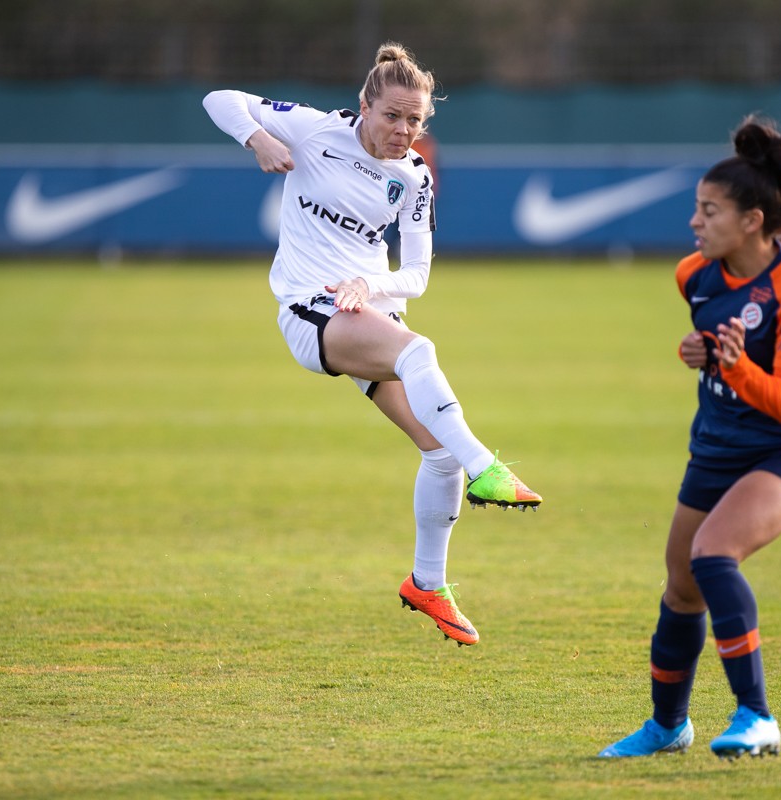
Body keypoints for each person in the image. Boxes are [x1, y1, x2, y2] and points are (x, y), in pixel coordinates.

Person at [201, 42, 542, 648]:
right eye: (392, 116)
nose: (403, 131)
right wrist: (258, 139)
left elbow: (417, 275)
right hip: (310, 308)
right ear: (365, 106)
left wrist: (369, 284)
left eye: (415, 120)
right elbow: (218, 98)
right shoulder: (315, 129)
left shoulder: (414, 177)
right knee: (419, 353)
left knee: (437, 452)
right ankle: (486, 468)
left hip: (366, 311)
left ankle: (427, 583)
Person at [598, 116, 781, 759]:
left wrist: (733, 366)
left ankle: (757, 717)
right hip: (718, 446)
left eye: (709, 211)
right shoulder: (694, 275)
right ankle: (667, 727)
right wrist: (700, 351)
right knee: (681, 586)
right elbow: (717, 338)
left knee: (712, 554)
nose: (694, 222)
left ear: (752, 220)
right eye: (697, 208)